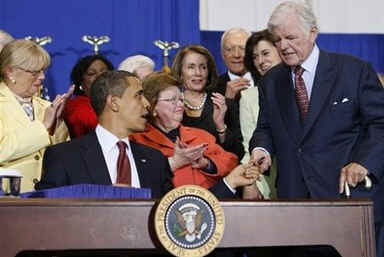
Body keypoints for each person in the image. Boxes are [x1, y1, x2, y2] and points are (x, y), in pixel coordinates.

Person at [249, 1, 384, 256]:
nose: (284, 46)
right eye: (277, 40)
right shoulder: (271, 81)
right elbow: (265, 127)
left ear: (313, 32)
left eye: (291, 37)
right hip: (294, 205)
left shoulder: (353, 71)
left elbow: (380, 124)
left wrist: (363, 162)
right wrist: (261, 149)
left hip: (346, 200)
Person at [36, 71, 260, 199]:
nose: (146, 104)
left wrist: (229, 183)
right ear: (113, 103)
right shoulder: (65, 156)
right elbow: (49, 220)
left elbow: (179, 214)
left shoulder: (153, 161)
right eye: (138, 95)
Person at [130, 72, 241, 191]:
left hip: (208, 203)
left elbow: (231, 162)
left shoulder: (201, 135)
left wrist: (207, 164)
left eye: (181, 99)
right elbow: (136, 177)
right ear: (152, 106)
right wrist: (173, 162)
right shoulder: (137, 140)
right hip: (163, 205)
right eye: (172, 100)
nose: (180, 105)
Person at [0, 39, 72, 192]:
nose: (42, 77)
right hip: (8, 199)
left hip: (48, 198)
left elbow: (62, 155)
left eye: (43, 71)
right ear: (10, 72)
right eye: (34, 72)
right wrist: (44, 126)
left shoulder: (47, 106)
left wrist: (58, 124)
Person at [171, 44, 244, 159]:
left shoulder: (223, 104)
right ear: (180, 72)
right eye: (191, 67)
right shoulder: (171, 106)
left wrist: (220, 127)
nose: (198, 73)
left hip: (219, 172)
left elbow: (239, 152)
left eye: (203, 67)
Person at [240, 29, 282, 199]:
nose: (260, 61)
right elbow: (249, 143)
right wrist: (251, 182)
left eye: (265, 53)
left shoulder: (301, 88)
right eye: (255, 57)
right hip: (265, 174)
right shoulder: (248, 97)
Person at [63, 54, 114, 138]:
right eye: (91, 74)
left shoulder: (120, 102)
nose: (99, 76)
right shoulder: (74, 107)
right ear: (81, 82)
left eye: (104, 72)